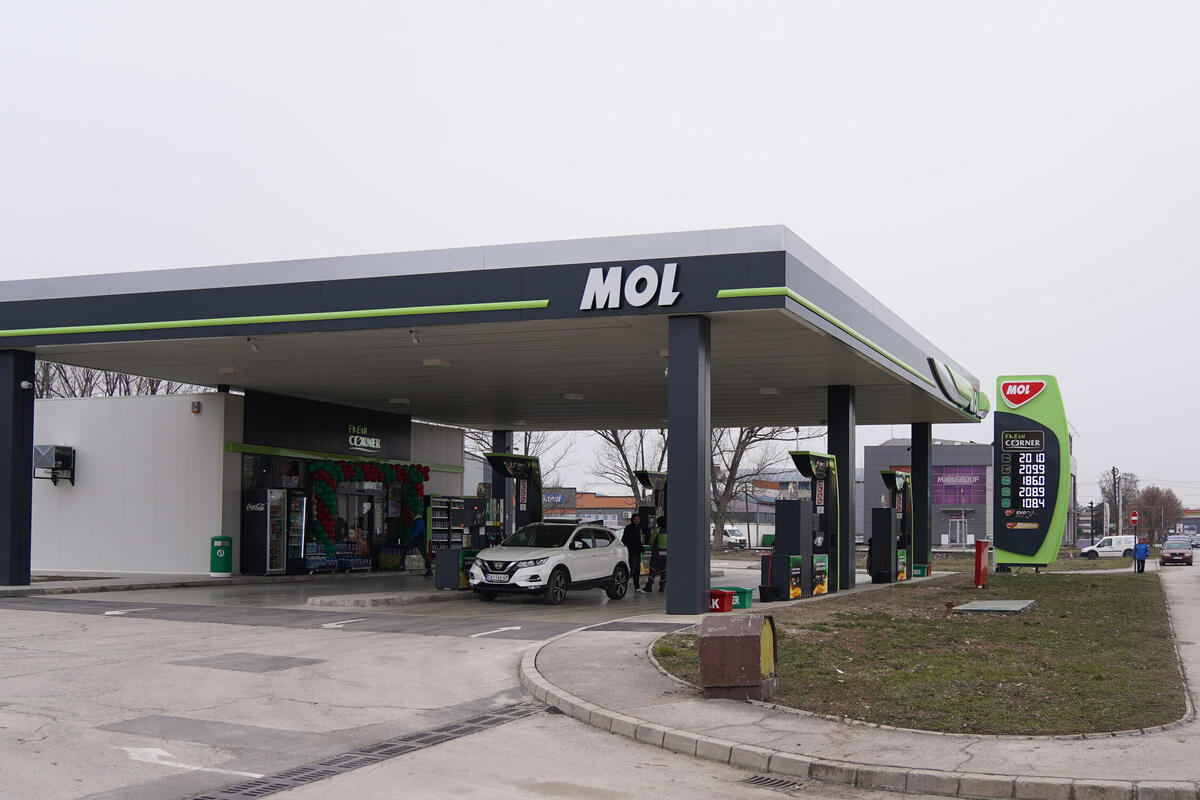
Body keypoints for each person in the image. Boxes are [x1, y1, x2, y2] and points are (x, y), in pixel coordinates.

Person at [621, 513, 645, 593]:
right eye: (635, 519)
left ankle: (637, 587)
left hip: (637, 552)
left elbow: (638, 541)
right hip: (631, 552)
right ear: (632, 519)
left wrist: (642, 549)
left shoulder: (638, 528)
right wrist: (628, 548)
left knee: (637, 570)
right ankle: (623, 586)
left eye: (638, 519)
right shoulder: (628, 528)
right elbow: (624, 539)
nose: (637, 520)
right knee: (631, 570)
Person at [644, 515, 667, 593]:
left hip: (657, 553)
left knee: (653, 569)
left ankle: (649, 586)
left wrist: (651, 547)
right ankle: (662, 587)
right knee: (664, 570)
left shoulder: (657, 530)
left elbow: (651, 540)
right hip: (667, 554)